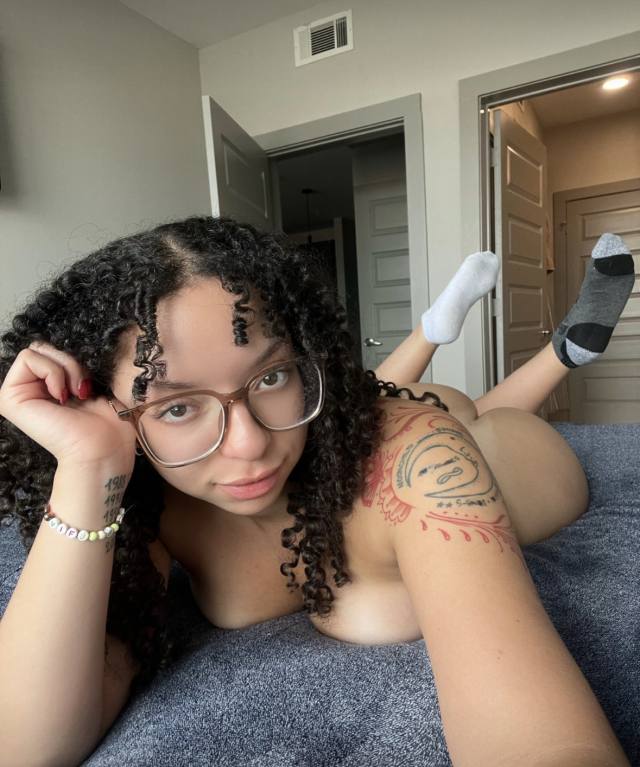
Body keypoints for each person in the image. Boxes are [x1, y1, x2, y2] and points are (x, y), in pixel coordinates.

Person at [0, 217, 633, 767]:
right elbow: (23, 746)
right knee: (401, 405)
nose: (248, 444)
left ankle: (563, 353)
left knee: (473, 421)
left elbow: (542, 743)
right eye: (176, 408)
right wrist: (88, 468)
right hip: (397, 418)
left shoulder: (419, 463)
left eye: (272, 376)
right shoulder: (156, 504)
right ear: (111, 407)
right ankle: (450, 332)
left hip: (515, 459)